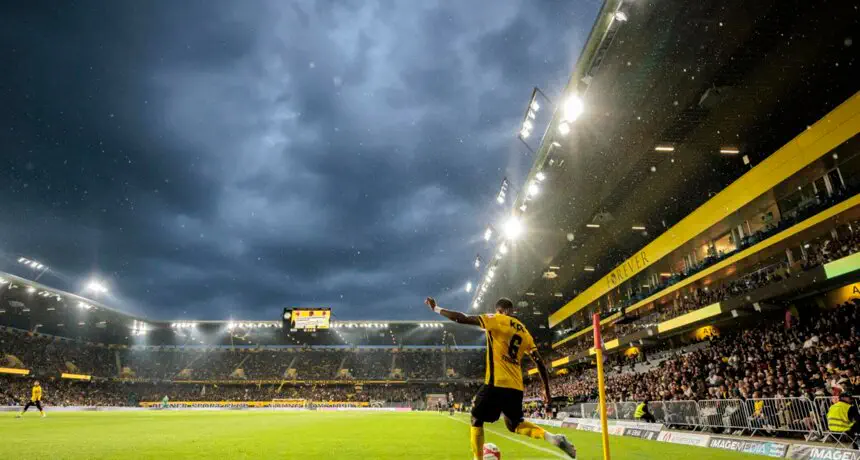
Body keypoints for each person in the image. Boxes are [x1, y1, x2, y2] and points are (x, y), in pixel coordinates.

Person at [425, 296, 577, 459]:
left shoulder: (497, 319)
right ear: (512, 311)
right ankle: (552, 438)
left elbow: (462, 318)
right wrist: (546, 390)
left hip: (496, 382)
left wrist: (437, 309)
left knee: (476, 418)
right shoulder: (524, 331)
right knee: (515, 425)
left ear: (500, 311)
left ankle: (478, 458)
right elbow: (539, 363)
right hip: (516, 387)